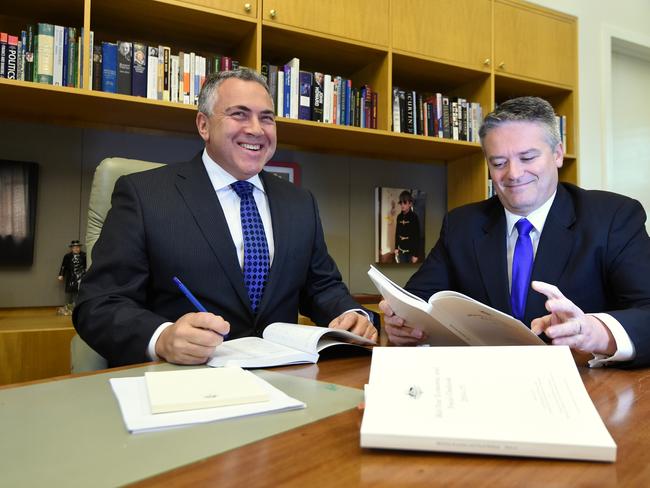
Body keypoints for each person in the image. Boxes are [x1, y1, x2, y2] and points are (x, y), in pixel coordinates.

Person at [74, 68, 377, 367]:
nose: (257, 129)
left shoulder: (300, 202)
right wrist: (162, 338)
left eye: (267, 118)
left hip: (284, 378)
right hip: (183, 382)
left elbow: (322, 287)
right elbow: (99, 304)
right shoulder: (144, 195)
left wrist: (353, 316)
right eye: (240, 114)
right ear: (204, 125)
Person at [381, 96, 650, 368]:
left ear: (558, 153)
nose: (513, 173)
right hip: (483, 383)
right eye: (498, 163)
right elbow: (417, 301)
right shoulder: (462, 224)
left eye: (528, 157)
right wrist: (400, 322)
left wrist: (596, 332)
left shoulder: (614, 217)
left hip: (585, 387)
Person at [58, 239, 86, 311]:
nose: (76, 249)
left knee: (80, 291)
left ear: (80, 248)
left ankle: (79, 307)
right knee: (72, 292)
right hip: (71, 276)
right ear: (71, 248)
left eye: (77, 247)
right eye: (74, 247)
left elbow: (87, 265)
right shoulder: (67, 256)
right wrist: (61, 275)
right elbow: (63, 266)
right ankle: (71, 306)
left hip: (81, 276)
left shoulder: (84, 255)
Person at [393, 190, 420, 264]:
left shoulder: (414, 217)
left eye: (405, 202)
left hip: (411, 252)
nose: (402, 205)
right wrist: (396, 247)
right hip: (401, 251)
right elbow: (397, 233)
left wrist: (416, 254)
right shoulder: (399, 217)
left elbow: (417, 236)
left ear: (410, 204)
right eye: (401, 202)